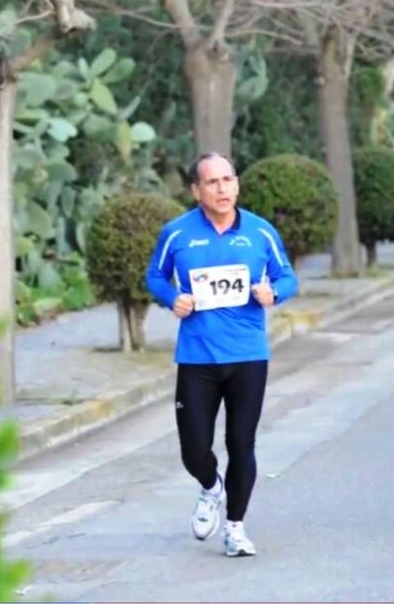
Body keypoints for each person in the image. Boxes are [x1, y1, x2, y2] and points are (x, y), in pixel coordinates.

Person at [145, 152, 299, 557]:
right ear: (196, 190)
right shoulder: (177, 234)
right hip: (197, 358)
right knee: (194, 448)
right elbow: (154, 276)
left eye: (228, 180)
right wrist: (171, 298)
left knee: (241, 442)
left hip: (248, 355)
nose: (222, 189)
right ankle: (210, 487)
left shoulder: (260, 232)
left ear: (237, 185)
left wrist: (274, 292)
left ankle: (235, 527)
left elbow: (287, 275)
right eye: (212, 182)